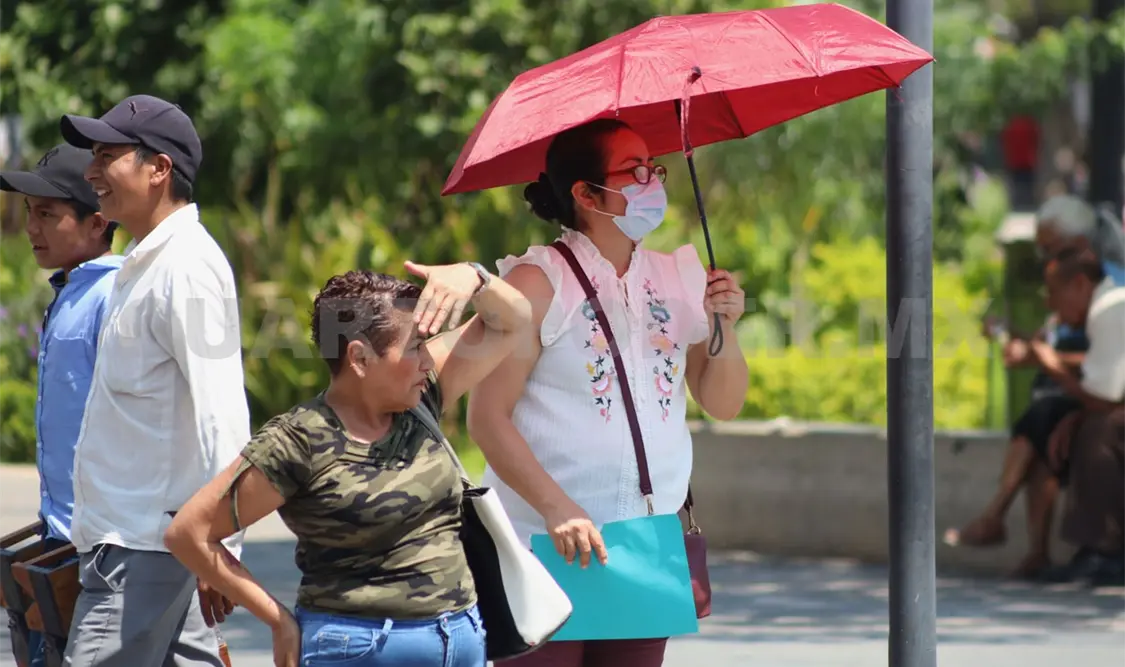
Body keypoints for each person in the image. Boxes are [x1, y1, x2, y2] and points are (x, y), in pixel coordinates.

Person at [466, 119, 750, 666]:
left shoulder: (679, 278)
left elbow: (723, 402)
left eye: (656, 169)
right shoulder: (537, 281)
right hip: (544, 547)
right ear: (585, 193)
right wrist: (557, 509)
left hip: (646, 547)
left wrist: (725, 327)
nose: (653, 182)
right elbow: (487, 418)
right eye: (636, 170)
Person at [163, 264, 532, 667]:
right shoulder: (299, 440)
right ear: (359, 358)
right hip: (357, 650)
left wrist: (475, 277)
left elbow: (513, 320)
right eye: (414, 347)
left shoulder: (421, 398)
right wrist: (277, 619)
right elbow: (190, 534)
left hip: (459, 641)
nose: (427, 359)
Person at [57, 94, 248, 666]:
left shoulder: (186, 266)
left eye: (108, 155)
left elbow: (223, 413)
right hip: (143, 546)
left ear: (159, 168)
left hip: (143, 550)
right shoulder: (148, 261)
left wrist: (221, 544)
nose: (92, 172)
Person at [945, 194, 1125, 578]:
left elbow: (1106, 378)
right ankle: (1032, 546)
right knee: (1046, 428)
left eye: (1049, 248)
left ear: (1077, 249)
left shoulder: (1110, 294)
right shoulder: (1082, 290)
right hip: (1097, 388)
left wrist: (1052, 367)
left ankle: (1095, 548)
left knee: (1081, 426)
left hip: (1104, 392)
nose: (1043, 258)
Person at [0, 143, 121, 667]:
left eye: (47, 214)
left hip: (101, 545)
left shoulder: (114, 297)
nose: (31, 228)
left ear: (97, 223)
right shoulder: (70, 293)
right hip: (60, 534)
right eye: (29, 212)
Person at [1031, 248, 1125, 585]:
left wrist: (1053, 367)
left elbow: (1105, 398)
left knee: (1097, 432)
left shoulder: (1108, 310)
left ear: (1081, 284)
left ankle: (1104, 550)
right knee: (1084, 424)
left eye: (1055, 293)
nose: (1051, 305)